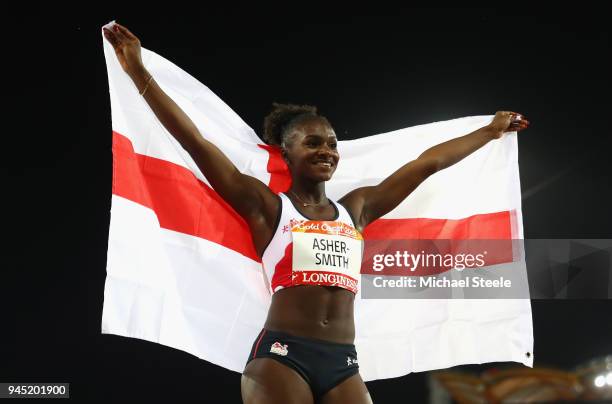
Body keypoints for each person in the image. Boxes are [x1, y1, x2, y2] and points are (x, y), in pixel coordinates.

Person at [103, 22, 530, 404]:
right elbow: (194, 142)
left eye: (330, 143)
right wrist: (139, 72)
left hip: (344, 362)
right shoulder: (267, 207)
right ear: (285, 152)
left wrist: (489, 132)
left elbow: (426, 165)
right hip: (282, 357)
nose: (325, 150)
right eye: (312, 143)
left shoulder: (357, 209)